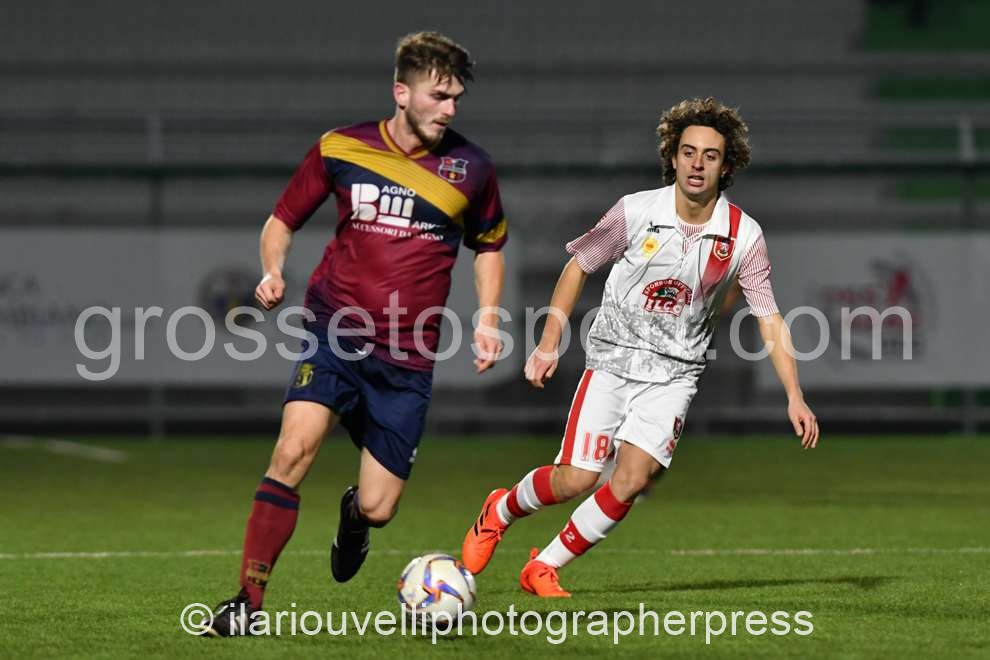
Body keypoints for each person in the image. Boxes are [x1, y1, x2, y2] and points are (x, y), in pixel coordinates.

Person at [203, 31, 507, 636]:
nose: (450, 108)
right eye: (439, 95)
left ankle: (355, 518)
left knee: (379, 505)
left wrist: (489, 318)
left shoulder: (471, 168)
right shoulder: (342, 146)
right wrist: (272, 269)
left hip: (407, 358)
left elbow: (490, 245)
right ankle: (246, 603)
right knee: (292, 452)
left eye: (456, 98)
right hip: (334, 332)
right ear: (401, 92)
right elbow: (282, 220)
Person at [461, 97, 818, 597]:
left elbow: (769, 317)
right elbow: (578, 266)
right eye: (688, 152)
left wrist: (794, 395)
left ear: (726, 165)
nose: (697, 164)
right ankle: (499, 511)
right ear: (672, 156)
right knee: (576, 479)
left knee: (630, 480)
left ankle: (543, 565)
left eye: (710, 155)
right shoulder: (636, 211)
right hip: (613, 360)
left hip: (675, 374)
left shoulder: (743, 235)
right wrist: (548, 343)